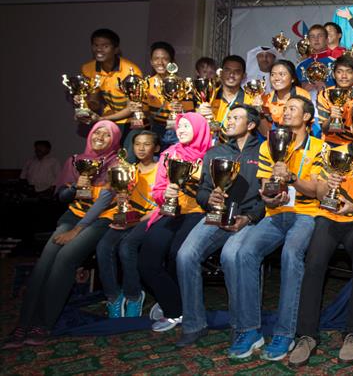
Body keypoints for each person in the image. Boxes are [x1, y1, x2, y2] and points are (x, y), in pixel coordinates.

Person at [3, 121, 121, 348]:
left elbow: (104, 201)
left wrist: (77, 230)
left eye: (107, 135)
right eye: (98, 132)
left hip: (99, 220)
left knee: (65, 259)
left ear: (114, 140)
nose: (100, 137)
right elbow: (62, 197)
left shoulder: (117, 164)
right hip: (72, 216)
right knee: (43, 263)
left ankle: (44, 324)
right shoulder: (75, 161)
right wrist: (76, 187)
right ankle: (23, 323)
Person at [223, 96, 323, 360]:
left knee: (291, 254)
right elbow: (265, 185)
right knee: (244, 253)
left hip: (306, 213)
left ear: (306, 118)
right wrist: (270, 196)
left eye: (293, 109)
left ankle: (284, 333)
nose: (286, 112)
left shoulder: (319, 147)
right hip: (275, 213)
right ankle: (250, 330)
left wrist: (292, 178)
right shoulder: (269, 145)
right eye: (285, 108)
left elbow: (319, 190)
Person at [289, 105, 353, 367]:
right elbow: (318, 193)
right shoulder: (332, 152)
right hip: (329, 217)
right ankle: (306, 335)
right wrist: (326, 187)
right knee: (314, 263)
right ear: (350, 127)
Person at [174, 105, 265, 347]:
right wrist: (209, 198)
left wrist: (250, 217)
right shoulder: (215, 152)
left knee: (230, 256)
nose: (230, 120)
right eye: (229, 117)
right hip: (217, 215)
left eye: (237, 117)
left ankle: (240, 326)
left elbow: (273, 195)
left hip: (249, 219)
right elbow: (202, 191)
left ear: (252, 124)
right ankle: (194, 324)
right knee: (185, 255)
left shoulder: (265, 150)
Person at [138, 113, 211, 333]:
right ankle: (176, 305)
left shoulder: (211, 155)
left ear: (199, 128)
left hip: (199, 212)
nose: (182, 130)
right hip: (170, 212)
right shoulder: (169, 154)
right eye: (180, 126)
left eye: (188, 126)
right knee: (147, 262)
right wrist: (166, 195)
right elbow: (158, 191)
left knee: (177, 255)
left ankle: (174, 310)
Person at [96, 130, 159, 318]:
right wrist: (121, 198)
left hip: (149, 218)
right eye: (137, 143)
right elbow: (115, 197)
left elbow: (163, 205)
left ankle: (133, 295)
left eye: (146, 144)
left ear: (156, 148)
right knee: (103, 247)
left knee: (125, 248)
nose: (140, 148)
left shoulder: (161, 169)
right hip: (127, 217)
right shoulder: (127, 170)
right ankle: (113, 297)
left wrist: (138, 220)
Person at [80, 29, 142, 134]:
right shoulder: (88, 68)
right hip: (108, 117)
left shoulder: (130, 71)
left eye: (105, 46)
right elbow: (94, 103)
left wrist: (102, 119)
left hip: (131, 120)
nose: (99, 49)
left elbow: (131, 108)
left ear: (116, 49)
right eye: (95, 45)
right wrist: (83, 108)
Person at [143, 41, 195, 146]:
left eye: (165, 59)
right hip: (157, 130)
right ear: (151, 62)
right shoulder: (146, 84)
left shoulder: (183, 84)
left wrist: (181, 109)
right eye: (156, 59)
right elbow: (145, 113)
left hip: (178, 131)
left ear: (172, 62)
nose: (160, 62)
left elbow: (191, 114)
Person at [317, 56, 353, 145]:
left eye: (349, 72)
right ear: (333, 75)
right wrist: (331, 118)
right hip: (331, 142)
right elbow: (325, 130)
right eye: (339, 72)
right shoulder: (324, 95)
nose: (344, 76)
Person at [197, 55, 254, 140]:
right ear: (221, 73)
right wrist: (198, 115)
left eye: (237, 71)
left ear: (244, 76)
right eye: (227, 70)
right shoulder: (208, 96)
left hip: (235, 149)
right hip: (207, 145)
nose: (231, 74)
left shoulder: (250, 100)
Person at [253, 59, 311, 134]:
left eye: (282, 74)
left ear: (293, 78)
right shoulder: (266, 99)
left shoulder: (302, 95)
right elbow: (266, 133)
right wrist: (259, 111)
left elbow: (308, 127)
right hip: (274, 139)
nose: (276, 78)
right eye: (273, 74)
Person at [296, 24, 336, 95]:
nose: (316, 39)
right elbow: (294, 88)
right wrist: (303, 86)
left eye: (320, 36)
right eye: (312, 36)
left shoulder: (336, 63)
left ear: (327, 40)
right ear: (308, 41)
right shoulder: (301, 66)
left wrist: (327, 87)